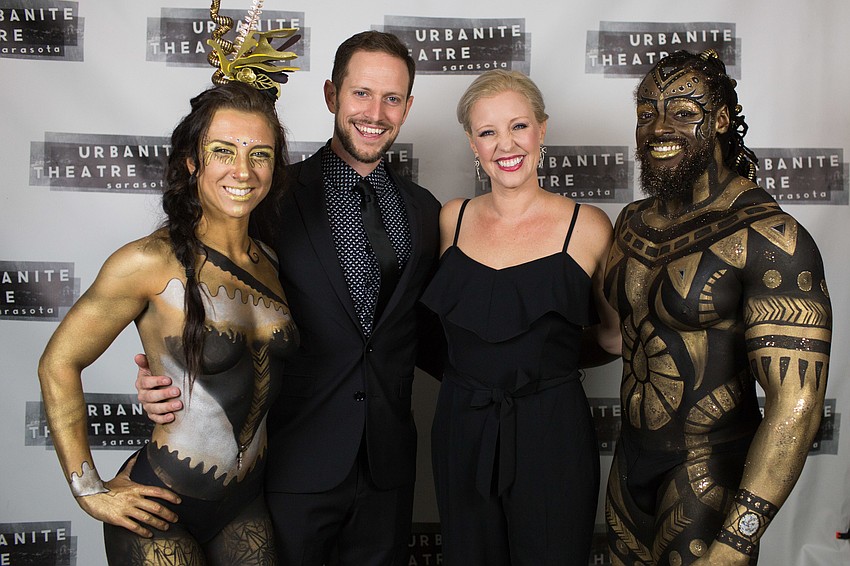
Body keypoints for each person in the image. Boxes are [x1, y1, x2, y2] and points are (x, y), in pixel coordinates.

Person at [135, 30, 442, 565]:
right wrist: (161, 372)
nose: (376, 111)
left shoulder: (424, 211)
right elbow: (192, 284)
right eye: (361, 93)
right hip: (293, 461)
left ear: (408, 107)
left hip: (388, 466)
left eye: (392, 98)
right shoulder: (268, 197)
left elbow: (430, 330)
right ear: (331, 96)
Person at [37, 80, 299, 565]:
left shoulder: (270, 261)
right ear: (192, 162)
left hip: (246, 505)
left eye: (259, 154)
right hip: (161, 511)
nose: (243, 170)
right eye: (223, 151)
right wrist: (88, 489)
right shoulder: (148, 262)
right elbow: (59, 362)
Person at [603, 50, 831, 565]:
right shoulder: (630, 224)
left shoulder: (770, 238)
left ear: (722, 120)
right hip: (628, 470)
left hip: (710, 476)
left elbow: (797, 405)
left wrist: (738, 538)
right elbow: (612, 335)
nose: (659, 127)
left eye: (683, 111)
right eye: (646, 112)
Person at [419, 69, 621, 565]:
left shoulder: (589, 225)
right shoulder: (452, 218)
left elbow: (615, 339)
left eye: (519, 126)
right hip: (461, 427)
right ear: (472, 142)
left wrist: (539, 365)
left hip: (552, 429)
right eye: (487, 131)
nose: (505, 144)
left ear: (542, 130)